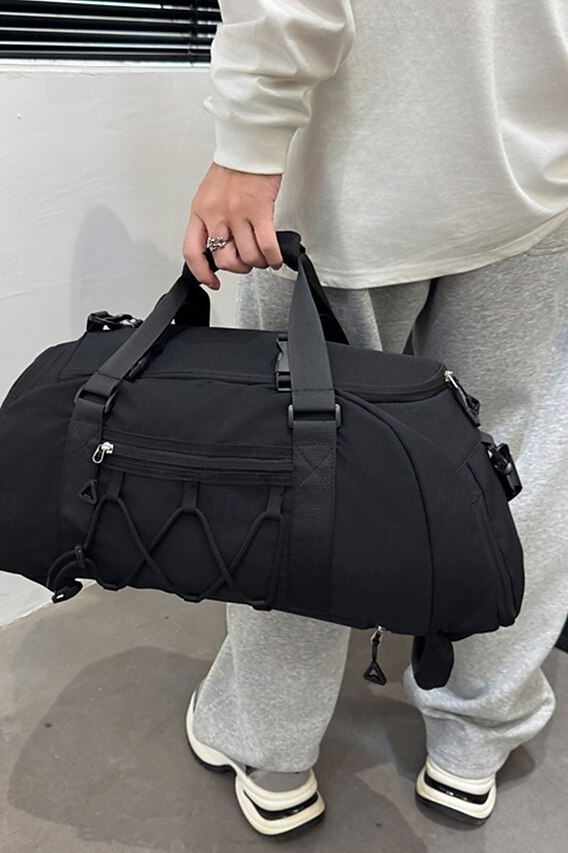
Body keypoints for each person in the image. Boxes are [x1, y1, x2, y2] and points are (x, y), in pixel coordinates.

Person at [182, 0, 568, 838]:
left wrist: (249, 142)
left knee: (292, 465)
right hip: (535, 166)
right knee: (512, 463)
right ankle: (475, 737)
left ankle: (272, 749)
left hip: (350, 177)